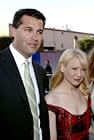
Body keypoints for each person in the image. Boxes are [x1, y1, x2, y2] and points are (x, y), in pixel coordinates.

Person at [0, 8, 50, 140]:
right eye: (28, 30)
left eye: (39, 32)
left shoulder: (40, 72)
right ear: (13, 31)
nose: (35, 37)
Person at [45, 48, 91, 140]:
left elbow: (87, 129)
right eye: (74, 68)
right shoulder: (51, 100)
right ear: (62, 67)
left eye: (83, 70)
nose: (79, 74)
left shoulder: (85, 95)